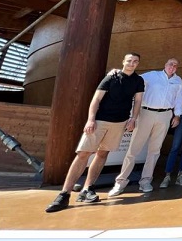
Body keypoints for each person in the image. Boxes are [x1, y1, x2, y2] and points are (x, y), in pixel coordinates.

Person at [45, 53, 144, 213]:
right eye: (129, 61)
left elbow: (138, 100)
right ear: (123, 61)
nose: (132, 64)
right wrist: (91, 119)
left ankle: (87, 189)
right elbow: (96, 99)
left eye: (135, 62)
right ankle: (64, 193)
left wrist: (133, 118)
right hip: (100, 120)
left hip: (119, 122)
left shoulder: (138, 81)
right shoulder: (111, 77)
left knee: (102, 154)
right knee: (83, 154)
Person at [108, 58, 182, 196]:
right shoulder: (152, 75)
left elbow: (179, 99)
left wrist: (177, 115)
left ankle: (146, 181)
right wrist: (118, 72)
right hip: (146, 113)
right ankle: (121, 181)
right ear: (165, 65)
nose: (172, 67)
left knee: (155, 150)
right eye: (170, 64)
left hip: (165, 115)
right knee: (134, 149)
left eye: (175, 65)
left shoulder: (178, 81)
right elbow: (133, 78)